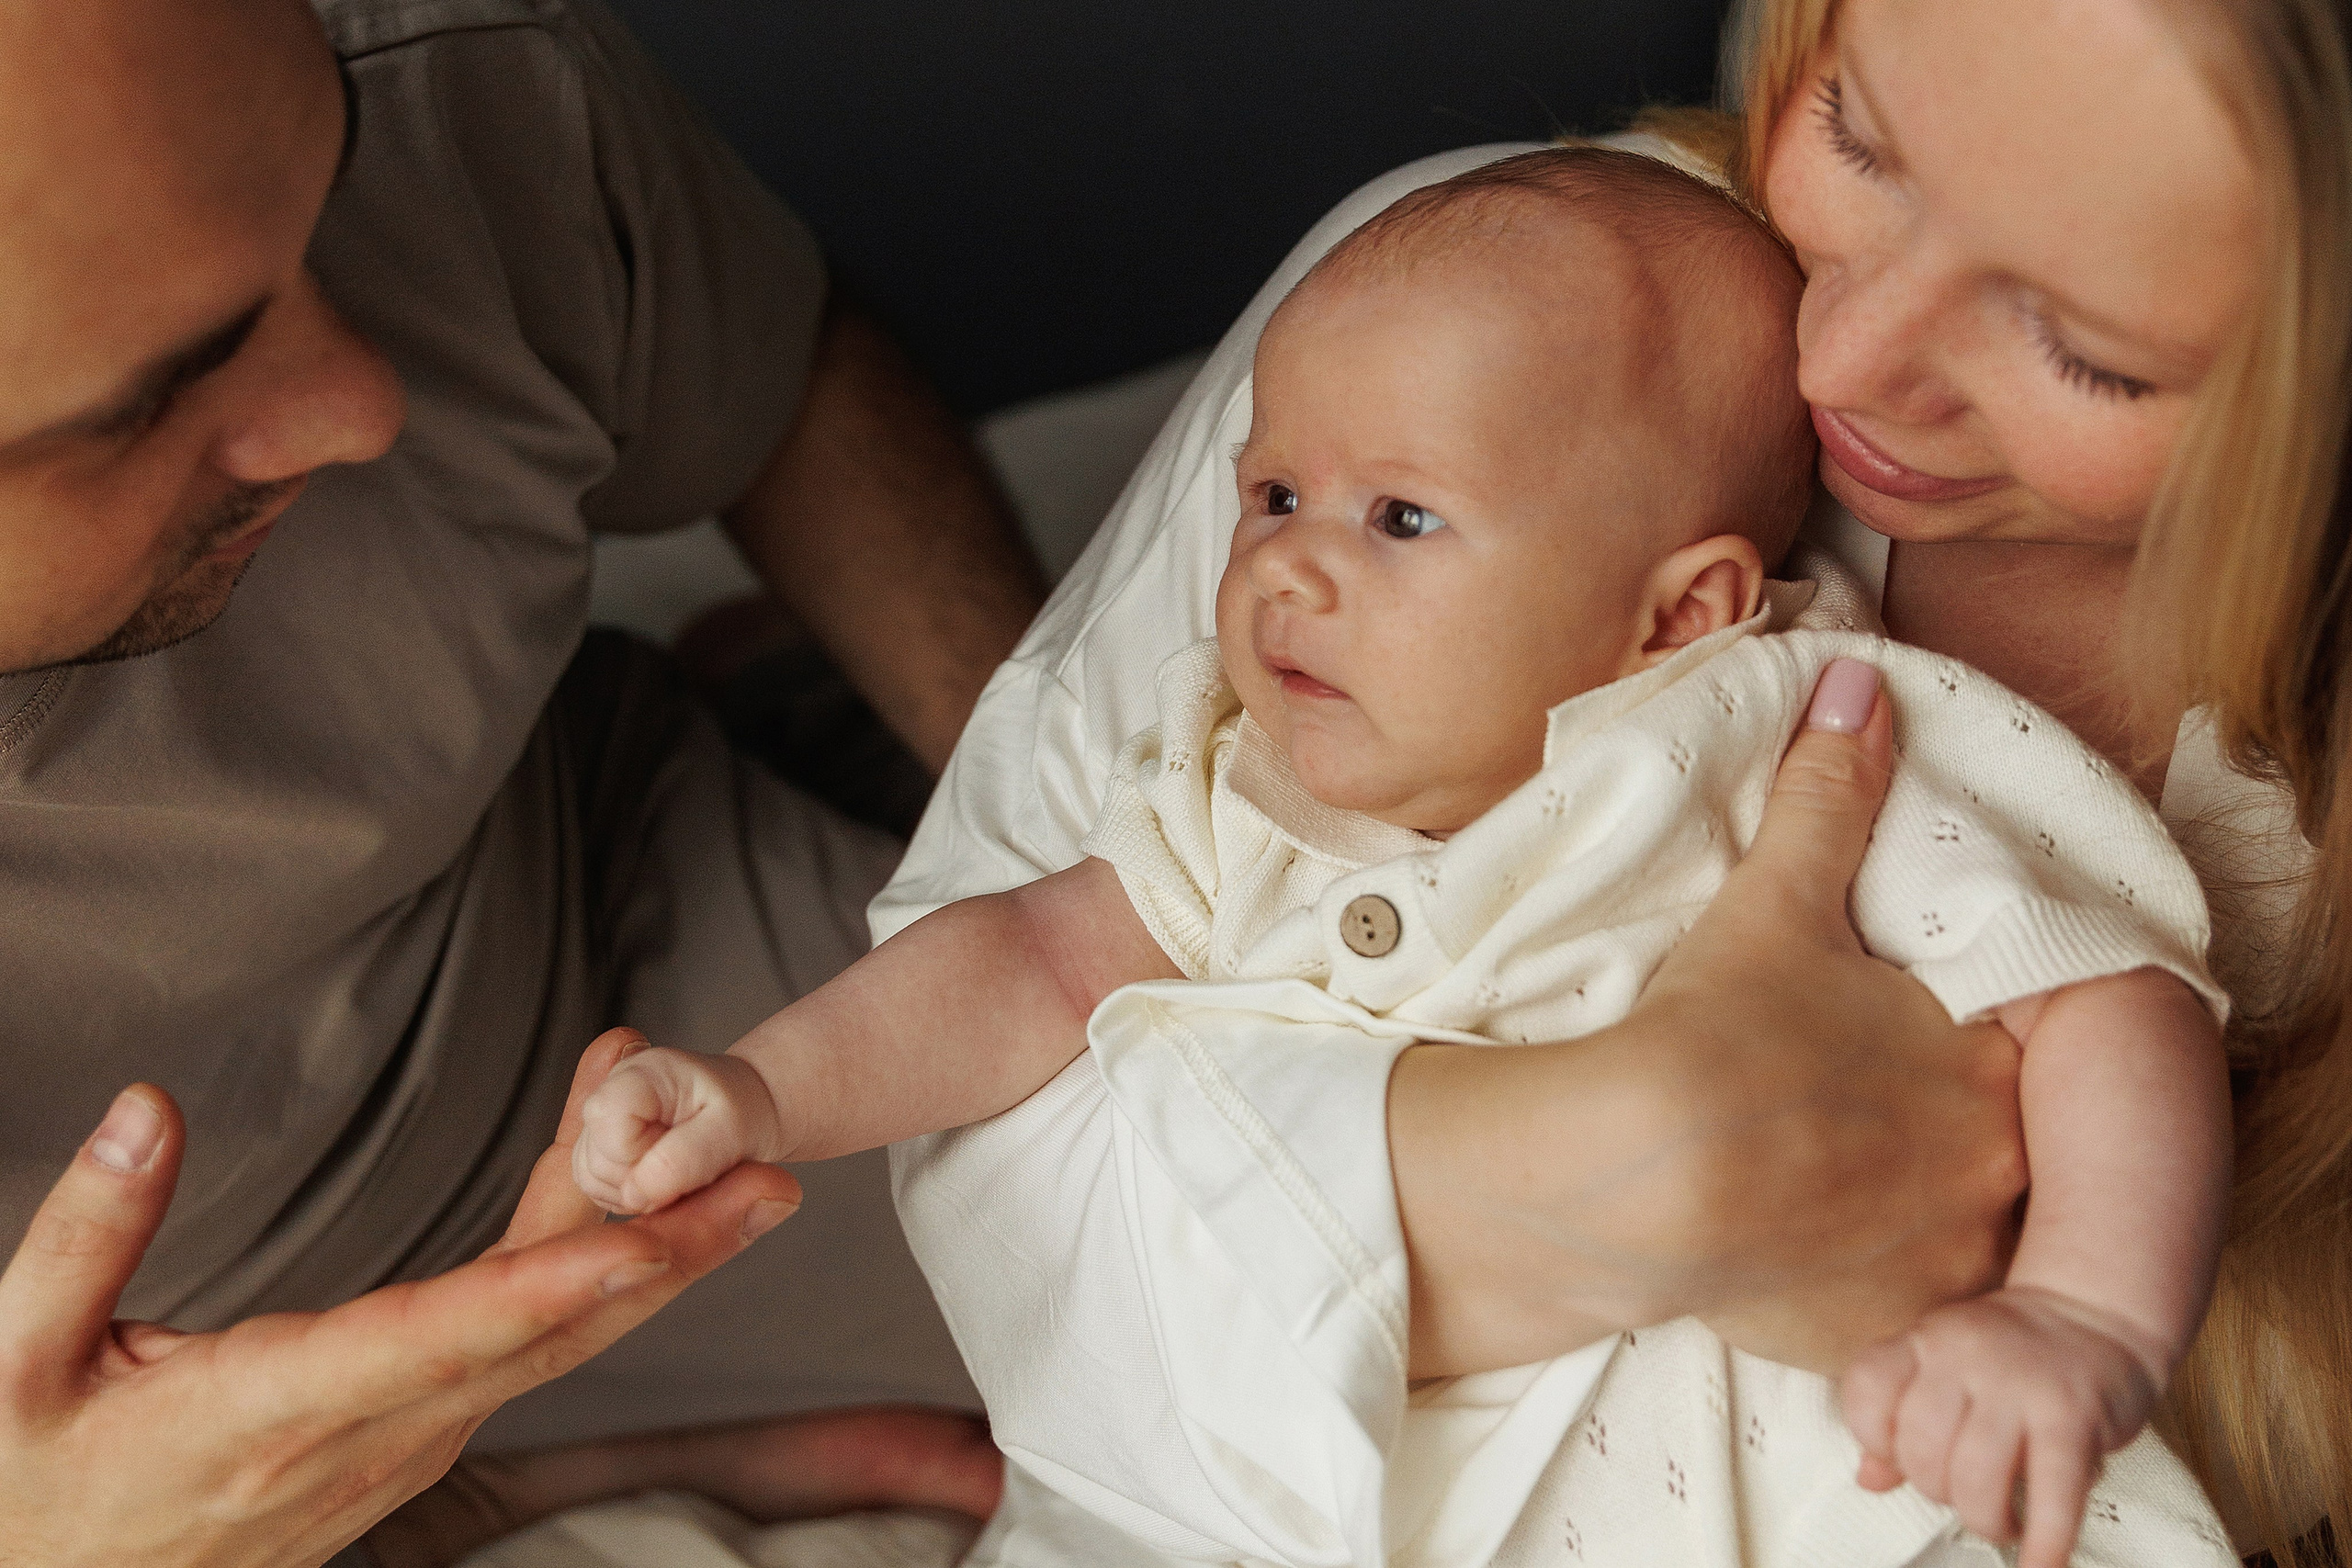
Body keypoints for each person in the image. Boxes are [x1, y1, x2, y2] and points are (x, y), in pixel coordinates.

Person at [573, 146, 2240, 1568]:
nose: (1287, 573)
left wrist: (2084, 1316)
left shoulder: (1792, 734)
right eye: (1273, 493)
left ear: (1683, 613)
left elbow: (2107, 998)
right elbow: (1020, 954)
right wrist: (764, 1089)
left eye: (1401, 519)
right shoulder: (1239, 782)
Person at [0, 0, 1042, 1561]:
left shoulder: (438, 76)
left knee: (1331, 1272)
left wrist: (1082, 827)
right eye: (157, 392)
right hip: (85, 1420)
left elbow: (771, 375)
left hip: (588, 971)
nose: (362, 406)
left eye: (322, 212)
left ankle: (794, 713)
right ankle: (493, 1485)